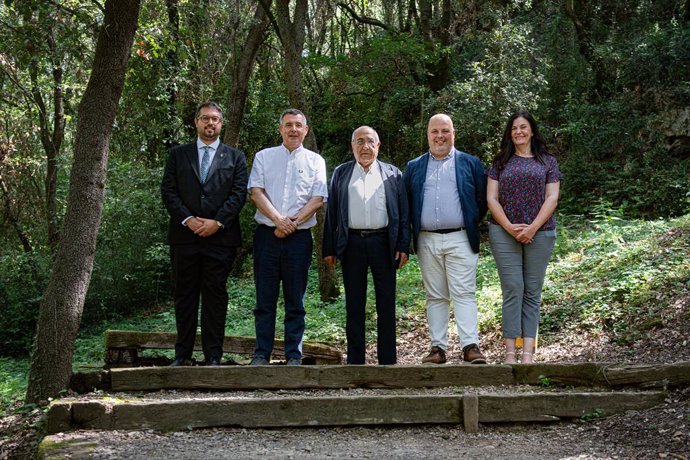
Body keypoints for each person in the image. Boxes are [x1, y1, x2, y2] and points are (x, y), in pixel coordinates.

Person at [161, 101, 248, 366]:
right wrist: (188, 219)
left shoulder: (235, 157)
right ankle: (182, 355)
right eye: (205, 119)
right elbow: (169, 191)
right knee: (184, 295)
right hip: (184, 237)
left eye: (215, 120)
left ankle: (213, 356)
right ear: (196, 122)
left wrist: (217, 222)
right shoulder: (178, 154)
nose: (210, 123)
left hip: (220, 239)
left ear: (221, 124)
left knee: (215, 295)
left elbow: (238, 193)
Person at [403, 113, 488, 365]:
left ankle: (470, 346)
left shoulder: (470, 163)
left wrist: (469, 220)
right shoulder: (414, 166)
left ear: (453, 133)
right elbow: (407, 202)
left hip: (461, 237)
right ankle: (437, 348)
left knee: (464, 293)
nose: (440, 136)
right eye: (434, 132)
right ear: (428, 135)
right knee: (435, 295)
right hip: (427, 239)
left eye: (445, 131)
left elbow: (481, 200)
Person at [323, 126, 410, 365]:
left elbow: (403, 213)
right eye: (359, 141)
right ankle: (355, 360)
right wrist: (329, 248)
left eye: (370, 141)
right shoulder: (341, 173)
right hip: (351, 243)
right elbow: (331, 214)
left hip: (384, 243)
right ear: (352, 146)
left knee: (386, 302)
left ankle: (388, 360)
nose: (365, 147)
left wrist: (403, 244)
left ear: (378, 145)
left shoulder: (392, 173)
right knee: (354, 303)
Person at [247, 109, 328, 366]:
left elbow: (318, 198)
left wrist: (291, 223)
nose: (293, 129)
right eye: (288, 125)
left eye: (298, 125)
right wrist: (278, 221)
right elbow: (256, 193)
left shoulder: (316, 161)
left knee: (296, 299)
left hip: (299, 239)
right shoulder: (264, 157)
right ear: (280, 129)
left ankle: (294, 354)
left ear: (306, 130)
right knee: (265, 299)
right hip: (266, 237)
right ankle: (262, 353)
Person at [487, 111, 561, 364]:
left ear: (532, 130)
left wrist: (532, 228)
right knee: (513, 288)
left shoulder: (547, 162)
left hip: (540, 232)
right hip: (503, 232)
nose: (518, 132)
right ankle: (510, 352)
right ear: (510, 133)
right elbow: (491, 198)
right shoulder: (500, 162)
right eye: (514, 128)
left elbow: (552, 197)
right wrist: (509, 226)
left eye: (523, 127)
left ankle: (528, 352)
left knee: (532, 292)